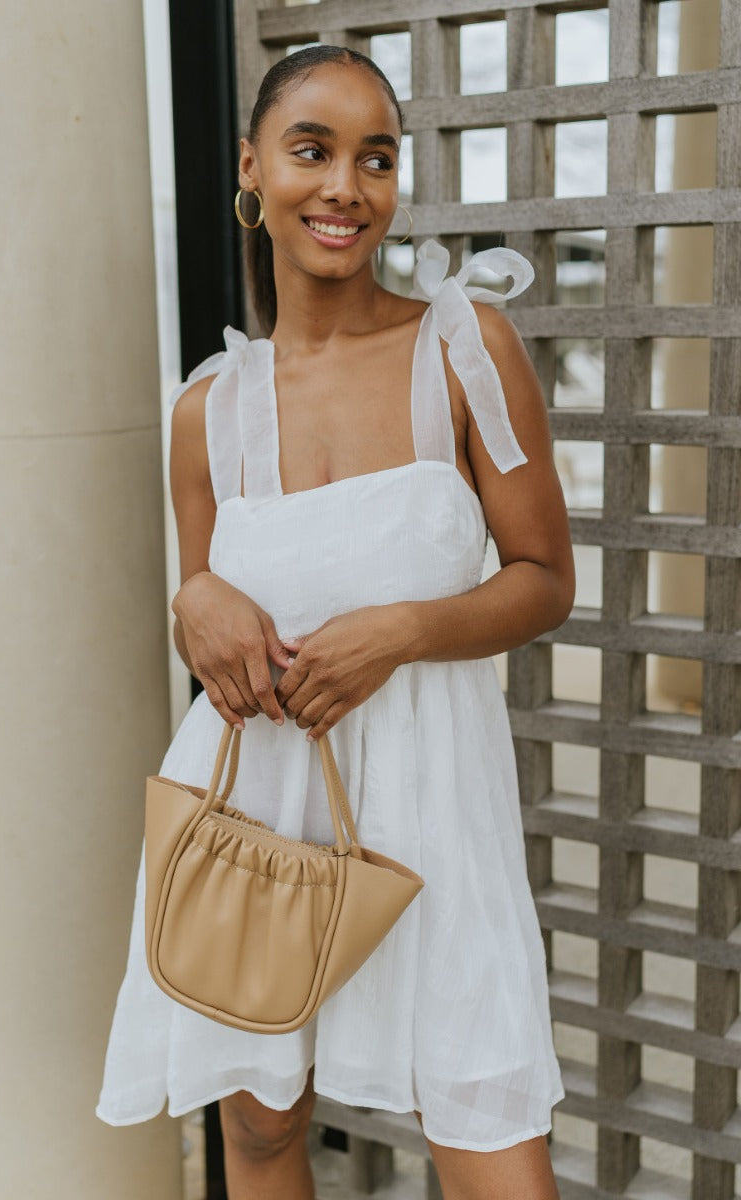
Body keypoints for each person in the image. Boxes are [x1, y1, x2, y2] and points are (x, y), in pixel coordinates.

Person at [97, 44, 574, 1200]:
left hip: (432, 808)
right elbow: (214, 618)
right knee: (259, 1136)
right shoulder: (207, 412)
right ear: (252, 170)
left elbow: (542, 576)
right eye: (311, 151)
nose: (343, 188)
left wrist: (399, 632)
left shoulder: (462, 351)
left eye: (374, 157)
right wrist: (191, 599)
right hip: (251, 803)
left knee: (489, 1139)